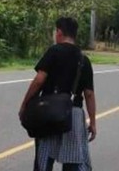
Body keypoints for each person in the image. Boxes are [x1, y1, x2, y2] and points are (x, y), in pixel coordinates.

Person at [19, 17, 96, 171]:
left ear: (59, 32)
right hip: (73, 115)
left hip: (49, 112)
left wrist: (25, 103)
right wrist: (92, 122)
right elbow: (89, 94)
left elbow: (39, 80)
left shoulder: (53, 51)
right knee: (73, 161)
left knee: (44, 159)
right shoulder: (84, 59)